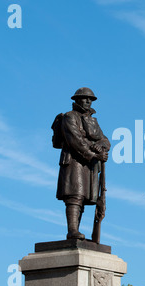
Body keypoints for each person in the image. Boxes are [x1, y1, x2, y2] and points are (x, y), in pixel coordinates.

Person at [55, 87, 110, 240]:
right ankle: (72, 230)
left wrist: (102, 147)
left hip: (89, 164)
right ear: (77, 100)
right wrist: (93, 153)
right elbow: (75, 140)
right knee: (75, 196)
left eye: (90, 99)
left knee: (84, 198)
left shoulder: (92, 121)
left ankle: (76, 231)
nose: (88, 101)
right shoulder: (70, 117)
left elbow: (105, 140)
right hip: (74, 161)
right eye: (85, 98)